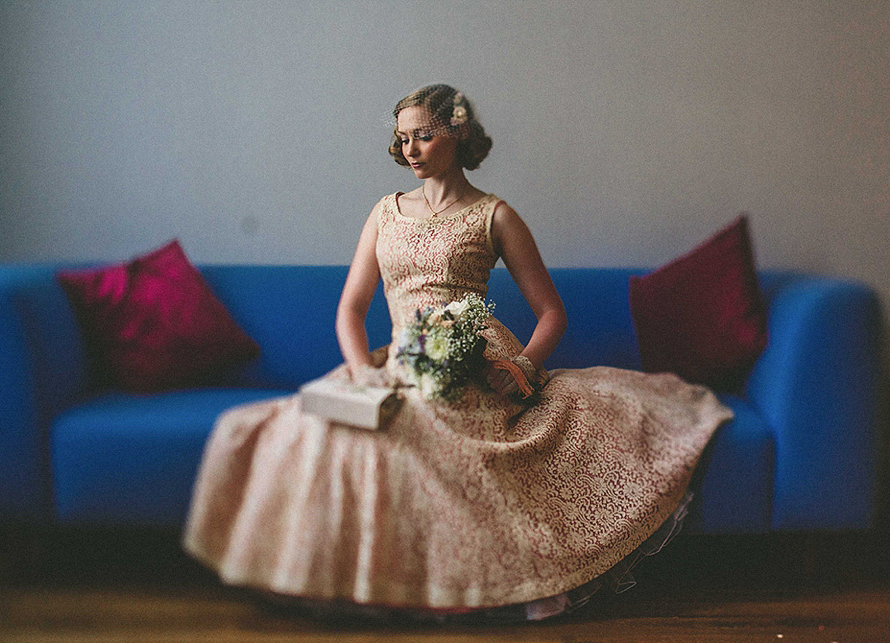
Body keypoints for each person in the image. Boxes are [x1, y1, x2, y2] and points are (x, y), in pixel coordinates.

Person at [183, 84, 733, 623]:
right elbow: (350, 308)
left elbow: (552, 313)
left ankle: (471, 582)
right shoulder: (384, 212)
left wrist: (521, 367)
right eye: (402, 139)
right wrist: (358, 373)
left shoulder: (493, 215)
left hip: (472, 359)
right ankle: (360, 583)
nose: (409, 150)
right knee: (316, 427)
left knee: (418, 425)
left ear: (457, 131)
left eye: (422, 136)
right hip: (397, 358)